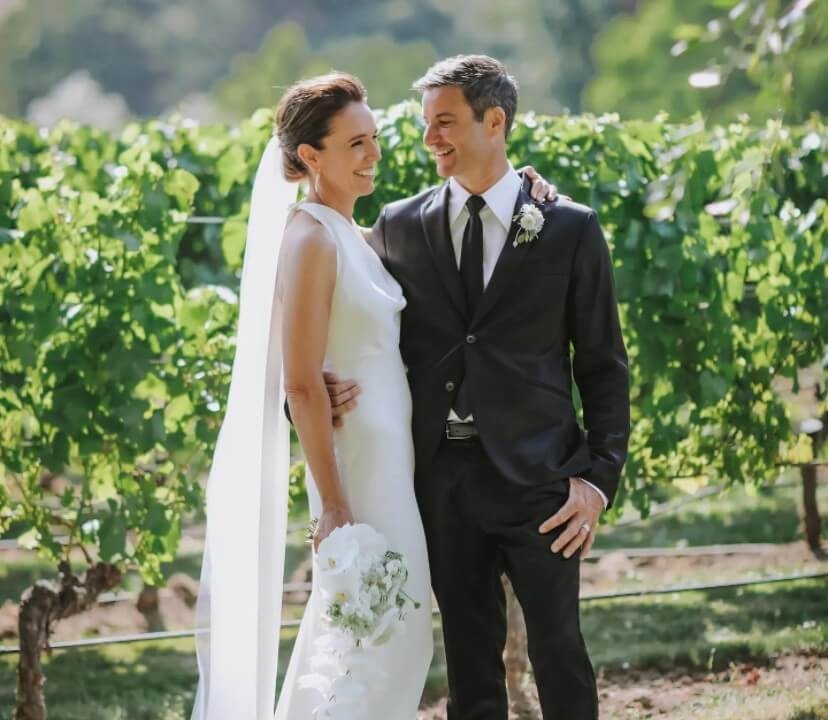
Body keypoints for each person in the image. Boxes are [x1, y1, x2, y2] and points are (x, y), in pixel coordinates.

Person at [189, 70, 559, 719]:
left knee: (380, 639)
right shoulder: (307, 240)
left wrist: (521, 183)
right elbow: (302, 381)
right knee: (377, 634)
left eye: (375, 139)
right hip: (356, 475)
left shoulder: (360, 236)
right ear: (311, 157)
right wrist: (333, 507)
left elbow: (450, 216)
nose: (375, 156)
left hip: (397, 469)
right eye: (356, 144)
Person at [335, 54, 631, 719]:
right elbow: (352, 308)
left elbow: (604, 365)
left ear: (494, 121)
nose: (428, 138)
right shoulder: (398, 225)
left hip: (543, 482)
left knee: (560, 650)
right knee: (468, 664)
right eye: (424, 124)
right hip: (442, 482)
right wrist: (325, 381)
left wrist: (598, 478)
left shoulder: (568, 227)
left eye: (444, 122)